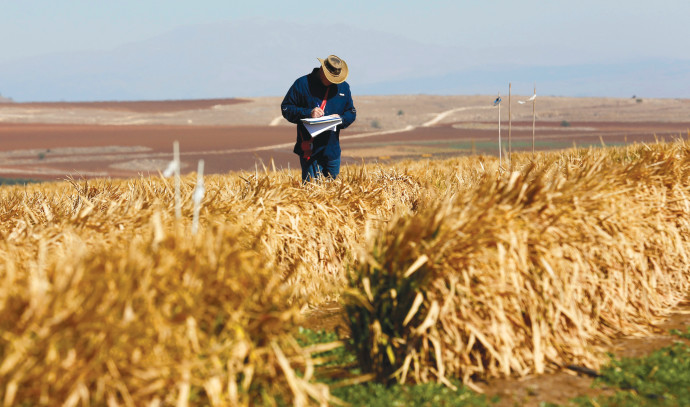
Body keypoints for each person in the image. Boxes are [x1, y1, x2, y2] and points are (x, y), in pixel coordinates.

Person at [281, 55, 356, 182]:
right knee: (312, 193)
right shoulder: (302, 84)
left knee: (334, 194)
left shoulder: (343, 87)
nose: (333, 81)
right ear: (322, 70)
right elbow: (286, 108)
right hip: (310, 151)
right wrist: (308, 113)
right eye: (330, 77)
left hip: (332, 151)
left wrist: (341, 119)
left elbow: (351, 112)